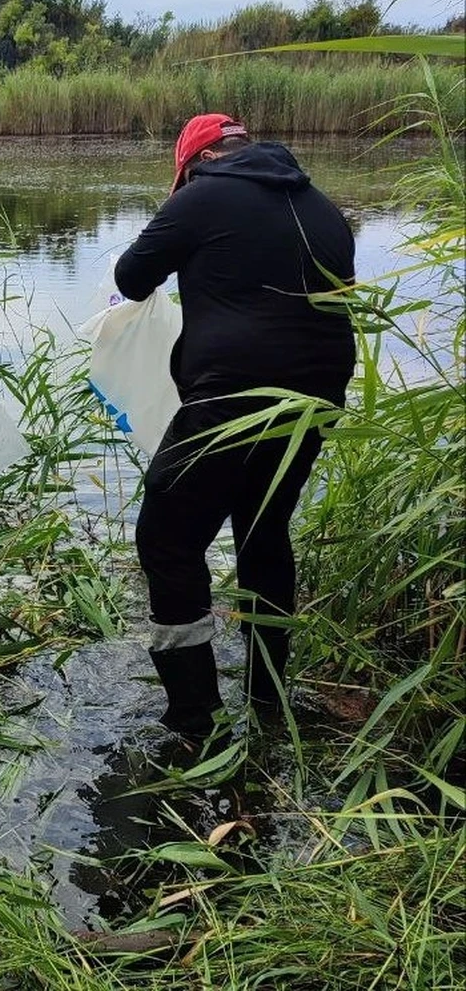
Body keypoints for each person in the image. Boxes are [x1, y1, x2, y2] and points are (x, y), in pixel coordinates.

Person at [114, 114, 355, 738]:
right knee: (264, 532)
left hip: (229, 398)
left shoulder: (201, 195)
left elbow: (130, 278)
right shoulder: (324, 206)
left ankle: (195, 718)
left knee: (167, 541)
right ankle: (268, 698)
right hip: (315, 400)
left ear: (194, 163)